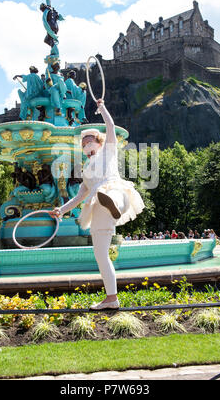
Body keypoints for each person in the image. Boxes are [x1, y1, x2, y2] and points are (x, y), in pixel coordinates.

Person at [49, 99, 145, 310]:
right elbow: (80, 196)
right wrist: (62, 210)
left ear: (99, 142)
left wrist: (103, 108)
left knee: (113, 192)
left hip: (115, 192)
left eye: (90, 140)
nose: (86, 145)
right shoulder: (85, 170)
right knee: (100, 255)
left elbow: (110, 127)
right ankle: (112, 298)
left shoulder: (108, 151)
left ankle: (115, 204)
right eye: (83, 143)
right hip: (97, 207)